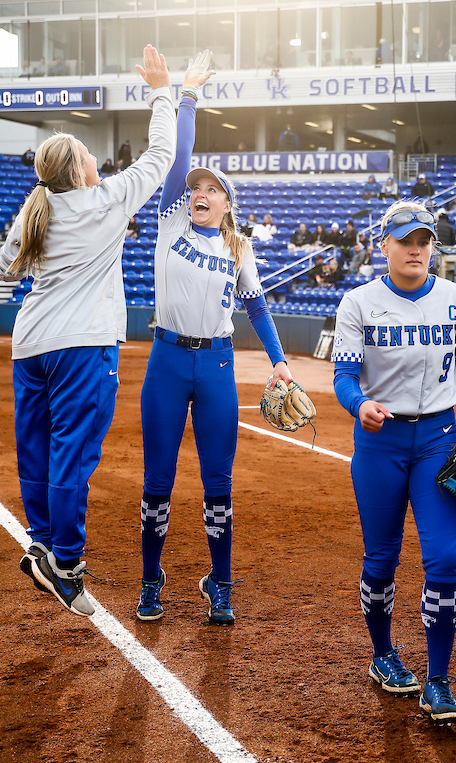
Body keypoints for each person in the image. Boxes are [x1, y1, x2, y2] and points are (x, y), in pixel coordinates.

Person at [0, 44, 175, 617]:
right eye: (89, 154)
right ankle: (67, 565)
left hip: (31, 343)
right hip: (83, 344)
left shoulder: (37, 207)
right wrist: (162, 92)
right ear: (79, 171)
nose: (97, 158)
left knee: (36, 448)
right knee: (72, 451)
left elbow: (6, 268)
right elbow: (162, 154)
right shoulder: (106, 200)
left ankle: (42, 543)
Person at [134, 52, 295, 627]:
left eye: (211, 188)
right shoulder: (171, 220)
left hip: (218, 366)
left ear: (227, 203)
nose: (200, 191)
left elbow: (257, 307)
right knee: (158, 480)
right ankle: (151, 579)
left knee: (218, 482)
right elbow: (179, 157)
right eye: (196, 187)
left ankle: (220, 584)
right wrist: (188, 94)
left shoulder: (238, 246)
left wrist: (279, 362)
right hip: (167, 361)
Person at [331, 201, 456, 725]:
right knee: (382, 559)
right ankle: (383, 654)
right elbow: (344, 378)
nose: (416, 249)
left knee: (444, 560)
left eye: (424, 240)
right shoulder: (358, 302)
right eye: (405, 240)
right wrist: (359, 405)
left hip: (439, 440)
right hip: (379, 442)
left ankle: (438, 680)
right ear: (385, 246)